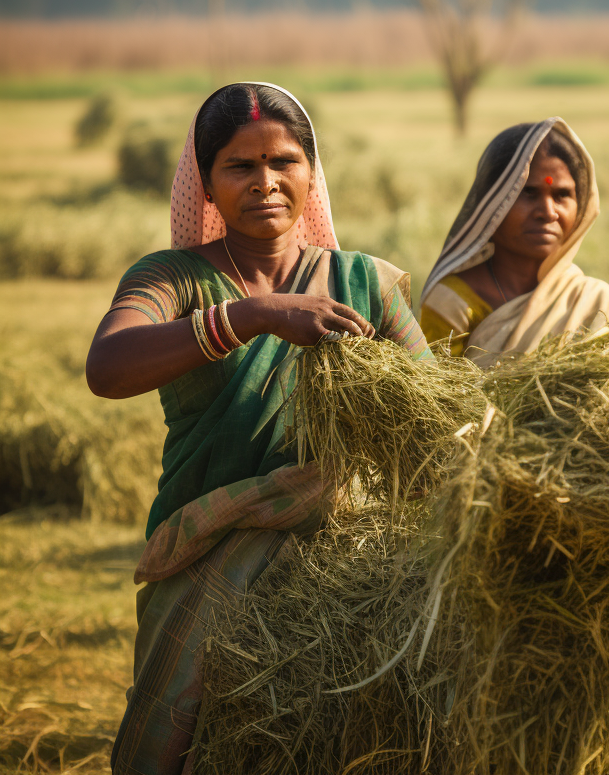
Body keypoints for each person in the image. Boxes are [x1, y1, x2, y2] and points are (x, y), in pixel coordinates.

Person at [87, 82, 431, 775]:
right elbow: (108, 367)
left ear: (312, 172)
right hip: (207, 557)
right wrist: (254, 316)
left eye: (284, 162)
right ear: (207, 186)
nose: (266, 183)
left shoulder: (363, 284)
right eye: (240, 167)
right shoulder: (174, 278)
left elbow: (436, 416)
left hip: (344, 573)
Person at [419, 117, 609, 366]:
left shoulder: (594, 302)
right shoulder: (452, 303)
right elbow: (438, 398)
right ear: (493, 203)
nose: (548, 212)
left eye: (562, 195)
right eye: (528, 193)